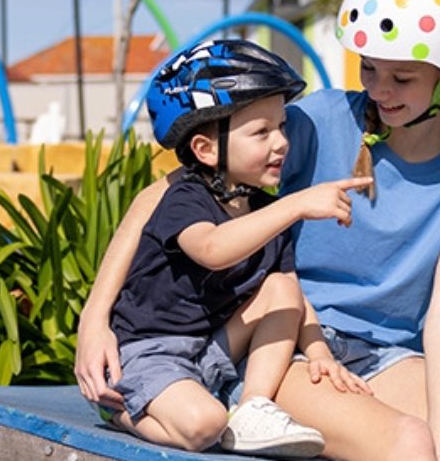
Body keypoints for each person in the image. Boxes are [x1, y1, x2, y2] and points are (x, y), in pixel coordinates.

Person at [75, 0, 440, 459]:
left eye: (402, 78)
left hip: (383, 357)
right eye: (369, 69)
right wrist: (94, 322)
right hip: (284, 346)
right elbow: (167, 194)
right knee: (408, 443)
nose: (380, 90)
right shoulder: (317, 121)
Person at [92, 39, 375, 458]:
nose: (280, 142)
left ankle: (252, 407)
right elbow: (212, 248)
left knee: (282, 288)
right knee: (204, 425)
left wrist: (319, 353)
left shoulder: (265, 211)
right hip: (150, 351)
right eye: (261, 132)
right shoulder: (184, 200)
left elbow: (292, 294)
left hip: (210, 347)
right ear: (205, 149)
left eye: (281, 126)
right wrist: (298, 204)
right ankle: (122, 409)